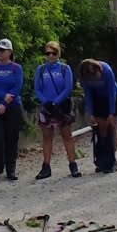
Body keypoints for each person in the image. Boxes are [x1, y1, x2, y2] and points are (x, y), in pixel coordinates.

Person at [34, 41, 80, 180]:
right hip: (46, 107)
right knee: (47, 137)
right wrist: (45, 102)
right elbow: (37, 88)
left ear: (58, 53)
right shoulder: (41, 69)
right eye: (48, 53)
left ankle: (73, 164)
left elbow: (68, 88)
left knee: (67, 136)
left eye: (53, 53)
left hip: (61, 106)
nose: (50, 56)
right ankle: (46, 166)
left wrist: (56, 102)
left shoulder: (65, 69)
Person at [0, 38, 25, 183]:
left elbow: (17, 86)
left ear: (10, 52)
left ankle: (10, 168)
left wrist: (5, 103)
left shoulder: (16, 68)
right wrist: (3, 98)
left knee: (11, 138)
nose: (0, 53)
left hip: (12, 106)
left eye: (3, 50)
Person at [79, 59, 117, 173]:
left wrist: (112, 113)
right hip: (97, 98)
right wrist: (91, 113)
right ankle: (103, 159)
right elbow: (88, 94)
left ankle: (112, 159)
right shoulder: (85, 76)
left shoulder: (106, 70)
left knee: (111, 128)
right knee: (101, 130)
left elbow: (112, 92)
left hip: (112, 97)